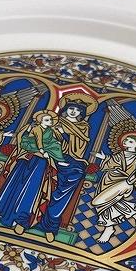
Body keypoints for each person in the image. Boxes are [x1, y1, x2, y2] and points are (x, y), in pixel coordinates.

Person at [0, 110, 62, 234]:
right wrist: (41, 151)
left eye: (50, 120)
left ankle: (21, 219)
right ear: (39, 120)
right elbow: (29, 141)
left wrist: (51, 149)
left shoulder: (52, 132)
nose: (50, 121)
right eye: (47, 119)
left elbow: (56, 145)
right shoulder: (34, 129)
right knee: (14, 186)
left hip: (41, 164)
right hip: (27, 160)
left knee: (32, 190)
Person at [38, 93, 97, 241]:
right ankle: (23, 217)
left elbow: (79, 146)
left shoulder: (83, 127)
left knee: (75, 174)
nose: (73, 112)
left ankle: (51, 224)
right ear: (65, 109)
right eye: (71, 108)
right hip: (50, 153)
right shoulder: (54, 121)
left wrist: (64, 134)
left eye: (77, 110)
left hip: (71, 158)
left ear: (81, 113)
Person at [92, 134, 136, 243]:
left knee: (99, 202)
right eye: (126, 139)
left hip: (125, 182)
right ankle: (135, 218)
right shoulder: (120, 154)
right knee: (111, 202)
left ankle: (109, 228)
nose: (126, 141)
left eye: (130, 141)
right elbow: (111, 163)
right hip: (108, 180)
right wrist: (103, 157)